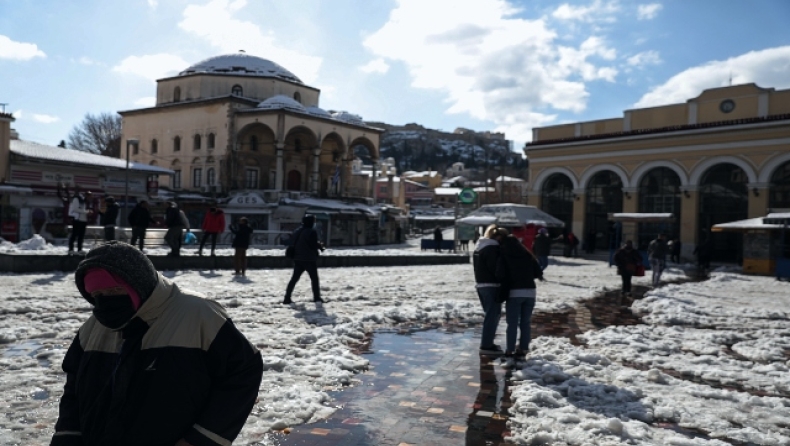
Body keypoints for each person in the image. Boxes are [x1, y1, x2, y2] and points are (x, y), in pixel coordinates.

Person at [50, 241, 263, 446]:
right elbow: (74, 390)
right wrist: (67, 436)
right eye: (97, 295)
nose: (106, 301)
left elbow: (244, 371)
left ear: (137, 283)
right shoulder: (94, 326)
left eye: (115, 291)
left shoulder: (197, 314)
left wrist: (204, 438)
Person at [496, 233, 544, 359]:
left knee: (512, 323)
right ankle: (523, 349)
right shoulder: (527, 254)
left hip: (514, 292)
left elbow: (500, 274)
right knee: (525, 323)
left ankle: (510, 350)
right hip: (530, 292)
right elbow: (538, 272)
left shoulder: (505, 255)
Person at [473, 224, 507, 356]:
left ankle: (488, 343)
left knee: (491, 315)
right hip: (491, 285)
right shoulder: (492, 249)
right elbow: (496, 269)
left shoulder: (481, 246)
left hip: (482, 284)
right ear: (498, 237)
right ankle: (486, 345)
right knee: (492, 315)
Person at [283, 215, 325, 304]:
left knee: (294, 279)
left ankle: (287, 297)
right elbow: (312, 245)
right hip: (309, 258)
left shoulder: (297, 231)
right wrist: (319, 247)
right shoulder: (312, 232)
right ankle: (317, 297)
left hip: (297, 258)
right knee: (314, 279)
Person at [68, 190, 92, 255]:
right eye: (88, 195)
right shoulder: (77, 199)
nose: (89, 197)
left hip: (83, 220)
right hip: (77, 220)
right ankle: (71, 249)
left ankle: (79, 249)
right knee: (74, 234)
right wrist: (86, 212)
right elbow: (75, 209)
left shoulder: (84, 202)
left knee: (81, 236)